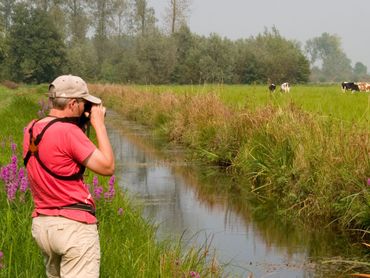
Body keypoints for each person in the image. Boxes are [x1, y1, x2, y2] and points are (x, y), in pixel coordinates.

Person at [22, 74, 115, 278]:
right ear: (72, 103)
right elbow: (107, 167)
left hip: (43, 226)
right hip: (73, 227)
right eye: (83, 104)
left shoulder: (31, 129)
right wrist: (99, 124)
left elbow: (59, 156)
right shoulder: (69, 132)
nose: (85, 109)